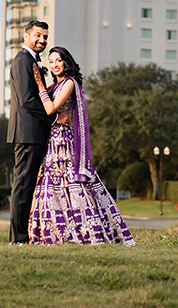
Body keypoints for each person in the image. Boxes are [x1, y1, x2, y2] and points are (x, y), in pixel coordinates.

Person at [28, 46, 134, 246]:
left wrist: (39, 84)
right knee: (53, 186)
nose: (54, 64)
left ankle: (87, 232)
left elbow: (50, 108)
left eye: (58, 60)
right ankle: (57, 233)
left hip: (65, 143)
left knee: (73, 185)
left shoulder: (70, 83)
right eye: (51, 61)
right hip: (53, 141)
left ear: (66, 61)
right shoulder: (53, 87)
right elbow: (50, 113)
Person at [8, 20, 68, 245]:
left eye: (45, 37)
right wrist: (54, 117)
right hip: (27, 134)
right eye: (38, 35)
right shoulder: (23, 61)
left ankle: (24, 236)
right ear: (26, 36)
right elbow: (27, 100)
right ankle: (18, 239)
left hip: (34, 134)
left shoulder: (31, 61)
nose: (42, 40)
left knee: (29, 185)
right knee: (23, 185)